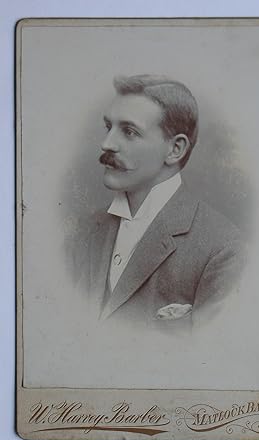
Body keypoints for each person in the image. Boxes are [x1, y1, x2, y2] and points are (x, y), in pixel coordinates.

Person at [71, 74, 245, 333]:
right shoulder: (83, 232)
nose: (107, 144)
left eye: (129, 132)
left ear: (175, 149)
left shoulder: (223, 250)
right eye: (109, 127)